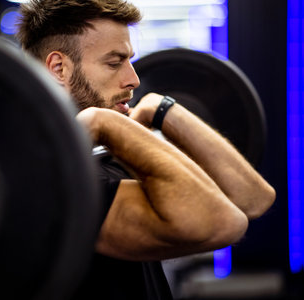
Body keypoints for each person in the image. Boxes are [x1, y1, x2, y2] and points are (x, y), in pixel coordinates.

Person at [16, 0, 276, 299]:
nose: (133, 79)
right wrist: (105, 120)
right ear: (59, 67)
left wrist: (162, 108)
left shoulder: (107, 156)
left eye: (130, 61)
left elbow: (253, 199)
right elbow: (225, 225)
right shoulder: (58, 185)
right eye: (114, 62)